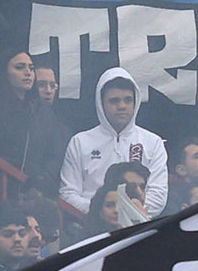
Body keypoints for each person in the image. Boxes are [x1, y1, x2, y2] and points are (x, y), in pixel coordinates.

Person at [57, 65, 171, 221]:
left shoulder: (153, 142)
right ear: (101, 103)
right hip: (89, 227)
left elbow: (158, 194)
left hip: (137, 226)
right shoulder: (80, 142)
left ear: (136, 102)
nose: (122, 106)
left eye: (127, 100)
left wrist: (129, 214)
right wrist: (102, 211)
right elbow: (68, 194)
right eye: (114, 101)